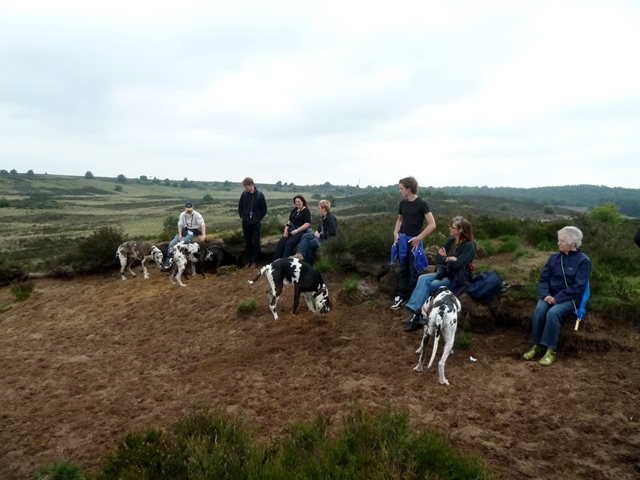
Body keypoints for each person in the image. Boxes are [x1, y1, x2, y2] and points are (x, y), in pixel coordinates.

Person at [522, 226, 591, 367]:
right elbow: (543, 279)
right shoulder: (553, 258)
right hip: (549, 295)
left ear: (573, 243)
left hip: (570, 298)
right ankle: (536, 345)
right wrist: (546, 294)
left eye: (562, 240)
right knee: (540, 310)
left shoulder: (584, 261)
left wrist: (557, 299)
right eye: (559, 240)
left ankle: (550, 349)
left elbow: (578, 286)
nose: (558, 243)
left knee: (553, 313)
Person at [403, 216, 476, 332]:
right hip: (445, 273)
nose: (450, 229)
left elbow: (458, 265)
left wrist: (446, 259)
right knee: (422, 278)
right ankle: (415, 311)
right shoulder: (451, 241)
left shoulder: (469, 246)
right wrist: (449, 259)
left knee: (432, 285)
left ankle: (419, 317)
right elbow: (438, 258)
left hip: (457, 277)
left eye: (452, 227)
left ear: (460, 230)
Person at [390, 176, 436, 310]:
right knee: (403, 269)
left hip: (414, 242)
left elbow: (432, 224)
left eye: (401, 188)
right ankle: (402, 296)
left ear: (409, 189)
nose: (400, 191)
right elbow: (399, 220)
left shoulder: (422, 204)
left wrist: (419, 238)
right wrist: (395, 233)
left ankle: (415, 299)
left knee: (414, 270)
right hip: (403, 241)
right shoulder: (402, 203)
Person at [163, 201, 206, 267]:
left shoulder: (197, 215)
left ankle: (180, 262)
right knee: (171, 243)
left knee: (181, 243)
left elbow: (202, 224)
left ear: (193, 207)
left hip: (193, 231)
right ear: (185, 208)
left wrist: (204, 235)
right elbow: (180, 225)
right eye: (187, 209)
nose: (189, 211)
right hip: (184, 231)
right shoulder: (182, 214)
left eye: (190, 209)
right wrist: (180, 234)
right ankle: (168, 261)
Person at [296, 200, 338, 265]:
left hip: (327, 238)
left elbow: (332, 232)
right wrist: (317, 232)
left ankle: (308, 263)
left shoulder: (331, 218)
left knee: (310, 244)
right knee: (305, 236)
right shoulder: (322, 218)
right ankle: (300, 254)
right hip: (320, 235)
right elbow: (320, 229)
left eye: (319, 208)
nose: (319, 210)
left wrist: (320, 235)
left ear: (324, 208)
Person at [238, 177, 267, 268]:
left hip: (255, 223)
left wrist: (257, 219)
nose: (245, 188)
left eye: (246, 186)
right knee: (247, 242)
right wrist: (242, 216)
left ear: (251, 185)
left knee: (255, 242)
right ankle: (248, 261)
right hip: (245, 222)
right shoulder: (244, 194)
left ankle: (255, 261)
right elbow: (240, 206)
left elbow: (264, 209)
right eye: (244, 187)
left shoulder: (259, 195)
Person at [273, 195, 312, 260]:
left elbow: (307, 223)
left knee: (289, 243)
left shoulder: (306, 211)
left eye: (299, 201)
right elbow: (290, 221)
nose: (297, 203)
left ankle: (284, 261)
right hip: (291, 229)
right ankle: (275, 261)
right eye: (296, 202)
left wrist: (296, 231)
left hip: (301, 231)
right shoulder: (294, 210)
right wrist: (286, 229)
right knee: (281, 243)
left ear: (302, 202)